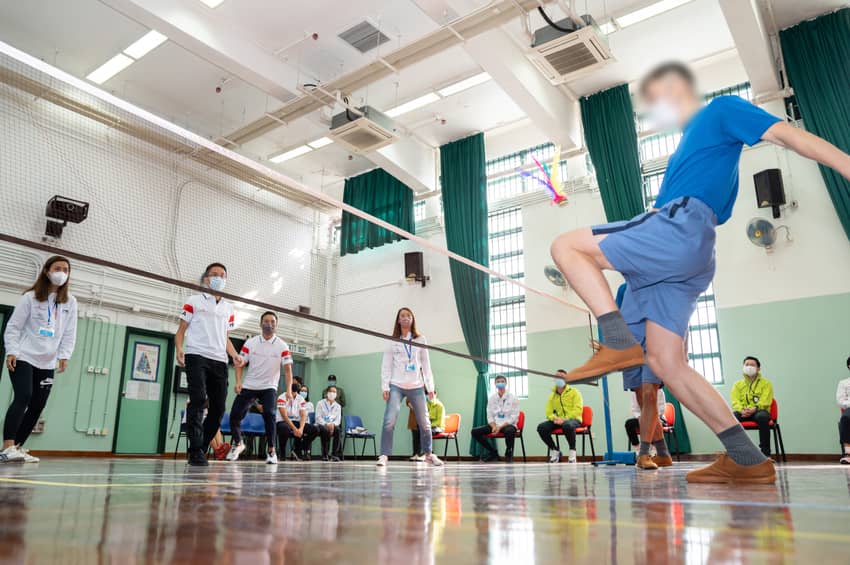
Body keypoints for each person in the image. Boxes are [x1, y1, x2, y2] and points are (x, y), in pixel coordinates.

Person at [550, 61, 850, 483]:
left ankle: (616, 342)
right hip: (691, 256)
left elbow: (787, 134)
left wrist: (846, 164)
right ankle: (746, 457)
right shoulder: (691, 151)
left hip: (678, 228)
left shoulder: (721, 110)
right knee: (667, 363)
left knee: (566, 246)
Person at [2, 256, 77, 464]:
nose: (62, 272)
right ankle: (7, 447)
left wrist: (64, 355)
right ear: (47, 271)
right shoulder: (30, 298)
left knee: (38, 404)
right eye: (57, 268)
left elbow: (70, 332)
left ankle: (17, 447)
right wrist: (12, 351)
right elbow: (13, 327)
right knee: (24, 395)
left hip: (48, 361)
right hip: (24, 355)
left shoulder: (70, 302)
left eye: (65, 269)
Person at [175, 262, 245, 467]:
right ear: (206, 278)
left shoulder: (229, 308)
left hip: (219, 361)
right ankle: (195, 450)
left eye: (222, 275)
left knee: (219, 408)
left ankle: (202, 446)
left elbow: (225, 337)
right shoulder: (194, 301)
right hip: (196, 356)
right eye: (214, 274)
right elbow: (180, 331)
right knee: (197, 400)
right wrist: (180, 348)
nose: (218, 278)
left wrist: (234, 355)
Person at [376, 307, 443, 468]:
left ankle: (428, 454)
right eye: (402, 316)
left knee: (424, 422)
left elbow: (426, 365)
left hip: (417, 385)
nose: (405, 318)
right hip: (396, 385)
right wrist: (385, 386)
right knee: (389, 420)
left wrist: (430, 387)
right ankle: (384, 455)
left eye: (408, 315)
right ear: (398, 320)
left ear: (412, 319)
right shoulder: (392, 341)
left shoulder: (420, 340)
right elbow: (386, 365)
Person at [226, 311, 293, 465]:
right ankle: (238, 444)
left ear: (276, 325)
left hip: (269, 386)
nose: (269, 324)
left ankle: (271, 451)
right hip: (250, 385)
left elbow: (288, 370)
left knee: (269, 413)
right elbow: (240, 363)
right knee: (235, 415)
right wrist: (238, 382)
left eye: (272, 322)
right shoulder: (251, 342)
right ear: (260, 323)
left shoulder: (282, 346)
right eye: (266, 321)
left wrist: (289, 389)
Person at [730, 356, 774, 457]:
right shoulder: (737, 385)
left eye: (752, 365)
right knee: (732, 418)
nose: (749, 367)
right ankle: (738, 453)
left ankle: (765, 454)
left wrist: (755, 408)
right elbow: (735, 401)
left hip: (760, 410)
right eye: (746, 364)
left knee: (762, 417)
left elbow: (766, 400)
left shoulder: (766, 384)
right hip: (743, 411)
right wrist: (741, 410)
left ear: (758, 369)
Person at [536, 370, 583, 463]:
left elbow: (578, 410)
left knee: (567, 425)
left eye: (562, 376)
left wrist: (564, 419)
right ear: (554, 379)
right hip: (558, 420)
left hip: (573, 420)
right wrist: (555, 418)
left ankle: (572, 452)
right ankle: (555, 450)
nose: (559, 378)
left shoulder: (574, 392)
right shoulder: (552, 396)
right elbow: (548, 412)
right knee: (541, 427)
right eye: (557, 376)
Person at [470, 375, 520, 463]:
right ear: (495, 384)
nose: (500, 383)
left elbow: (514, 417)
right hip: (495, 424)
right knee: (475, 431)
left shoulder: (513, 398)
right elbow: (489, 415)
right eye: (498, 382)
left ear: (506, 383)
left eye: (502, 381)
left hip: (508, 424)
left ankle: (509, 452)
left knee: (510, 431)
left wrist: (499, 427)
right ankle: (493, 452)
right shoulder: (492, 398)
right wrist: (493, 426)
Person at [623, 380, 672, 469]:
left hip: (658, 416)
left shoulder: (660, 392)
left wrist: (650, 417)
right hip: (641, 416)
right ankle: (639, 451)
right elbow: (635, 409)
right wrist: (642, 418)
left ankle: (654, 451)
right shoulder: (635, 393)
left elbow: (661, 408)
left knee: (652, 422)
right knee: (629, 424)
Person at [277, 382, 318, 460]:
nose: (292, 395)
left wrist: (301, 429)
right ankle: (282, 453)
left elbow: (303, 415)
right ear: (288, 389)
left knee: (314, 430)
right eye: (291, 392)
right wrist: (295, 429)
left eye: (294, 393)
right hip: (283, 421)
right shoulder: (281, 397)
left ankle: (298, 449)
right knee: (284, 428)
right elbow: (284, 416)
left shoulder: (300, 398)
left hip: (296, 421)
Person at [407, 390, 445, 462]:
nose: (429, 396)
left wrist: (428, 425)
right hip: (429, 426)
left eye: (430, 394)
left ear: (435, 394)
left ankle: (425, 454)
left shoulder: (439, 405)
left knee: (425, 431)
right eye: (427, 394)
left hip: (438, 427)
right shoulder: (426, 405)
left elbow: (439, 422)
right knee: (417, 429)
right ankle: (417, 454)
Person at [315, 386, 343, 461]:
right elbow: (318, 417)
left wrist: (333, 424)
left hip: (333, 425)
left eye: (334, 392)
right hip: (322, 425)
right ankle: (325, 454)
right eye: (331, 391)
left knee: (338, 430)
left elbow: (338, 420)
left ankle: (334, 454)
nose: (332, 394)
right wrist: (326, 424)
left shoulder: (338, 406)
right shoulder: (320, 403)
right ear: (327, 393)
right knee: (325, 430)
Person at [837, 357, 850, 464]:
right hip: (849, 408)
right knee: (845, 418)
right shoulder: (844, 383)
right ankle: (848, 454)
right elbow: (840, 401)